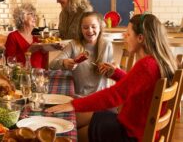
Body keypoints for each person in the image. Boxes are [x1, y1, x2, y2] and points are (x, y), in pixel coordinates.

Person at [46, 13, 177, 142]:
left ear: (140, 38)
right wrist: (116, 73)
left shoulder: (146, 65)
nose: (124, 36)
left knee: (69, 135)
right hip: (130, 125)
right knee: (69, 119)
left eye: (128, 34)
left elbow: (114, 95)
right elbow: (133, 85)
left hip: (129, 133)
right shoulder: (154, 62)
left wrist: (74, 104)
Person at [49, 12, 114, 96]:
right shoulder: (73, 45)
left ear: (100, 28)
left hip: (101, 97)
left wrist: (111, 69)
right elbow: (52, 65)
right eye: (85, 27)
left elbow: (112, 72)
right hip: (79, 97)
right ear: (81, 29)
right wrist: (64, 63)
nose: (90, 30)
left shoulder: (107, 45)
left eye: (93, 27)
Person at [4, 3, 48, 69]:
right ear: (22, 17)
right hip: (21, 76)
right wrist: (28, 51)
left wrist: (46, 51)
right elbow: (10, 62)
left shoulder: (38, 37)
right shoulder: (13, 36)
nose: (35, 17)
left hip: (38, 76)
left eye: (35, 15)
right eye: (31, 14)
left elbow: (43, 63)